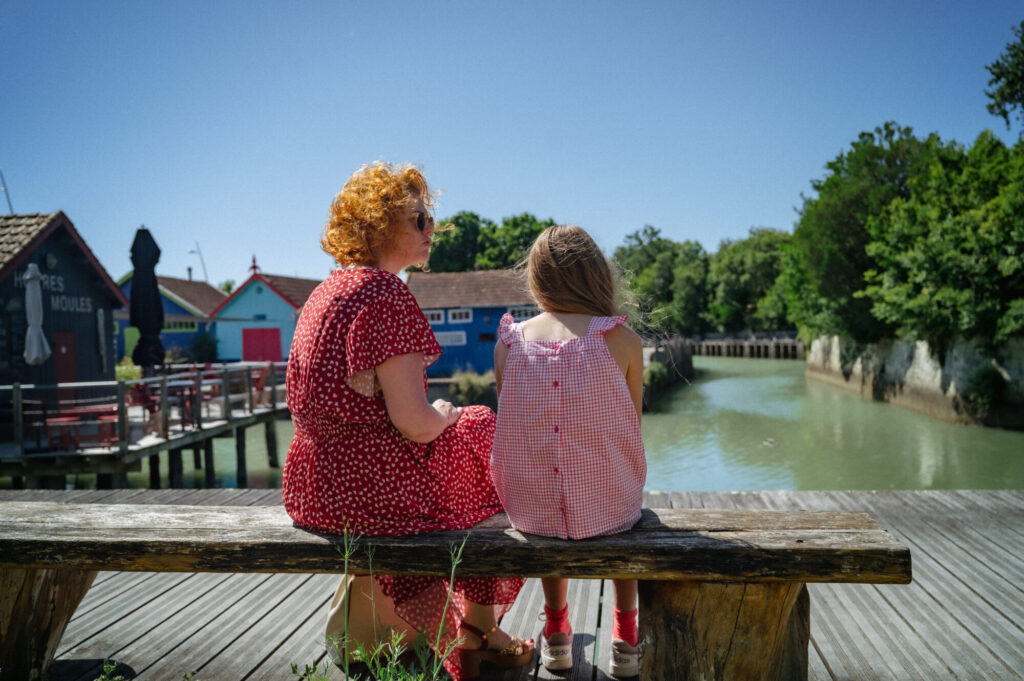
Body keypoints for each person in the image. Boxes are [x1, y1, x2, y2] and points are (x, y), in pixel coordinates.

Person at [282, 162, 534, 680]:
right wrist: (445, 413)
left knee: (472, 452)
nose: (430, 230)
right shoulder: (386, 296)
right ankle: (477, 630)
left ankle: (472, 630)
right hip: (370, 489)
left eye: (429, 219)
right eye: (418, 219)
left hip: (313, 487)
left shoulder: (324, 293)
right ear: (378, 226)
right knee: (483, 428)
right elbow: (415, 424)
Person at [491, 224, 646, 678]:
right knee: (615, 486)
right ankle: (626, 639)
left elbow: (513, 423)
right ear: (596, 276)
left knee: (542, 477)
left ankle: (557, 634)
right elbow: (630, 431)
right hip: (610, 508)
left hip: (529, 510)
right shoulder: (623, 341)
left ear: (537, 280)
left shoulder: (510, 343)